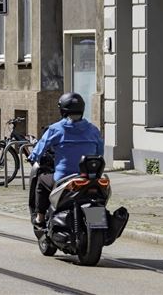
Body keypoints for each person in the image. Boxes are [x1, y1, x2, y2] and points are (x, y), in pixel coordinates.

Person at [28, 92, 104, 227]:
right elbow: (100, 153)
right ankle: (96, 222)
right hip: (88, 178)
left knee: (41, 180)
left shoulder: (56, 129)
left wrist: (33, 157)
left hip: (64, 178)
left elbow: (39, 150)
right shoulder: (93, 130)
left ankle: (40, 217)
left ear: (62, 110)